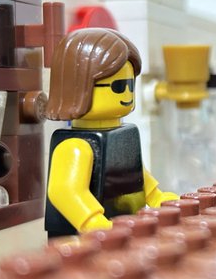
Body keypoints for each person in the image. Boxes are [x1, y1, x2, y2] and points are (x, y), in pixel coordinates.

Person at [44, 27, 177, 237]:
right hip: (80, 240)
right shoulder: (75, 146)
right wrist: (95, 223)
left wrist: (156, 197)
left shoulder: (124, 135)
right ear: (79, 87)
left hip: (125, 230)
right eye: (118, 87)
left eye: (130, 85)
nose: (127, 93)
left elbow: (135, 174)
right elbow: (64, 191)